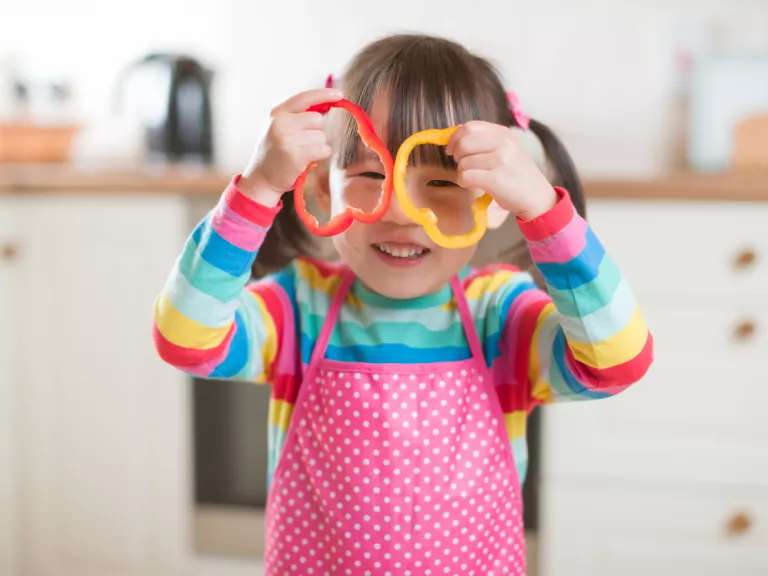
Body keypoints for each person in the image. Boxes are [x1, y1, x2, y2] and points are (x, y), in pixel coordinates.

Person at [153, 33, 653, 576]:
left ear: (494, 203)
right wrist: (256, 189)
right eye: (370, 175)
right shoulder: (296, 308)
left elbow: (618, 362)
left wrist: (542, 210)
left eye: (439, 180)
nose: (399, 210)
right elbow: (184, 340)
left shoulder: (502, 317)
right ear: (323, 190)